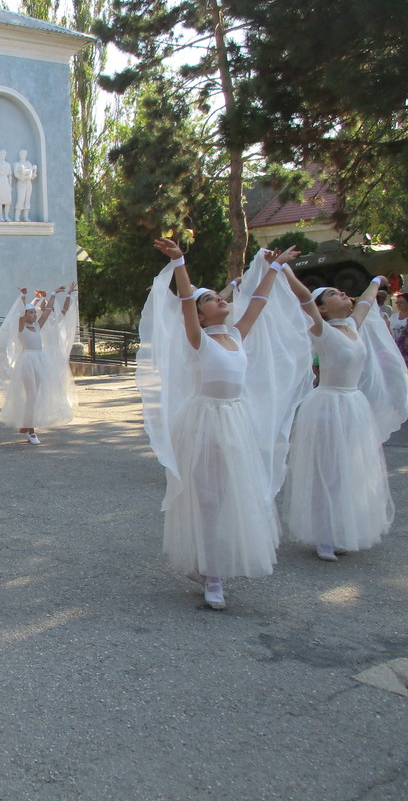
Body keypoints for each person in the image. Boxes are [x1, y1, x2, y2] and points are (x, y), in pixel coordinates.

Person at [137, 239, 287, 610]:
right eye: (211, 300)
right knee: (207, 499)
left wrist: (274, 269)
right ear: (200, 316)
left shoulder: (236, 334)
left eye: (219, 298)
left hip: (235, 420)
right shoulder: (197, 340)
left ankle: (209, 567)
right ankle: (213, 575)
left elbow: (258, 304)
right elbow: (186, 301)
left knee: (231, 495)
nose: (220, 300)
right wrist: (180, 263)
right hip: (204, 421)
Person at [281, 269, 408, 561]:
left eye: (341, 291)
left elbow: (365, 302)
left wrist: (376, 281)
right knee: (328, 468)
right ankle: (323, 534)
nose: (341, 294)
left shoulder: (352, 324)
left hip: (353, 405)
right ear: (322, 309)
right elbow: (303, 297)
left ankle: (341, 528)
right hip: (328, 405)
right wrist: (285, 269)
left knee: (350, 468)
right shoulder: (322, 331)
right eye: (332, 294)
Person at [0, 283, 79, 444]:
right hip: (27, 361)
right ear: (25, 315)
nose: (33, 315)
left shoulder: (38, 325)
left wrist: (52, 294)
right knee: (31, 395)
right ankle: (30, 430)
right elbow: (19, 313)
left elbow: (48, 310)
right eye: (30, 313)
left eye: (33, 312)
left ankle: (27, 426)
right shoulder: (21, 327)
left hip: (40, 360)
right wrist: (24, 296)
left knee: (37, 395)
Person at [0, 150, 13, 222]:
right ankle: (0, 217)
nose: (3, 156)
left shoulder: (8, 164)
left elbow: (10, 176)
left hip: (6, 181)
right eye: (2, 154)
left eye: (4, 154)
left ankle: (6, 216)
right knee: (0, 200)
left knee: (8, 200)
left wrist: (10, 185)